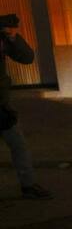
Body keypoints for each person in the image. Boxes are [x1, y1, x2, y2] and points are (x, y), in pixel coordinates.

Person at [0, 14, 52, 200]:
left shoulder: (3, 38)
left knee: (19, 145)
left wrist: (12, 37)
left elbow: (27, 57)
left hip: (2, 107)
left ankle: (28, 185)